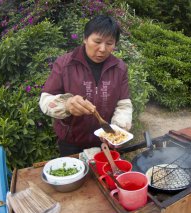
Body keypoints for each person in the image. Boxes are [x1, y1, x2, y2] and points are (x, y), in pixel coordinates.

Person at [39, 15, 133, 156]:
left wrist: (117, 128)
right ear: (85, 38)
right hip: (72, 142)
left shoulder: (119, 68)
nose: (102, 49)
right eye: (97, 41)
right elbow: (45, 100)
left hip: (105, 141)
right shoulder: (65, 64)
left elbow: (123, 103)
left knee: (104, 177)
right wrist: (67, 104)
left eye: (109, 43)